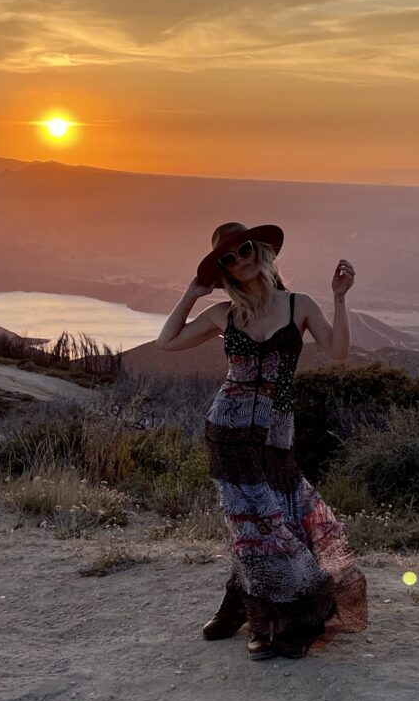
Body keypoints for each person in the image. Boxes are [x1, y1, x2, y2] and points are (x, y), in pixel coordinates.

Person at [156, 222, 368, 660]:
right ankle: (265, 619)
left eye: (244, 250)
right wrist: (194, 292)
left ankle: (252, 607)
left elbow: (338, 351)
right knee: (251, 530)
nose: (239, 261)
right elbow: (167, 341)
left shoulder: (299, 306)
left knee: (278, 523)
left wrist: (340, 299)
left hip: (275, 434)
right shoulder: (224, 314)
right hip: (226, 432)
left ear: (263, 251)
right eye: (228, 259)